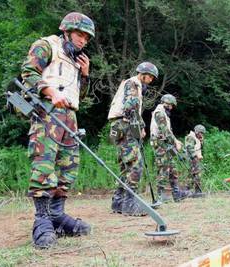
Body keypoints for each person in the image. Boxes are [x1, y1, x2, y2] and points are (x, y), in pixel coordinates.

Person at [20, 12, 95, 249]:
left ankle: (57, 216)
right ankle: (42, 221)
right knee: (44, 163)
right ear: (67, 31)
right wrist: (51, 92)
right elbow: (28, 73)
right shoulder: (47, 46)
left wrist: (85, 75)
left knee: (68, 166)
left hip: (70, 115)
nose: (83, 41)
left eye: (86, 38)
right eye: (80, 35)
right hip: (47, 112)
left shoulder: (76, 59)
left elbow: (79, 95)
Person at [108, 62, 158, 216]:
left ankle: (118, 202)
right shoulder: (133, 83)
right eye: (148, 76)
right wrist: (140, 126)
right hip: (125, 125)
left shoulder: (130, 83)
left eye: (151, 78)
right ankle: (130, 204)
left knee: (125, 165)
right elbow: (131, 106)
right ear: (142, 74)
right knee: (136, 164)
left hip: (118, 125)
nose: (150, 80)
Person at [150, 94, 191, 204]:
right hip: (160, 144)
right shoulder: (159, 113)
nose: (172, 108)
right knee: (163, 168)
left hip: (166, 143)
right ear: (166, 103)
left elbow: (169, 132)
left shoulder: (164, 114)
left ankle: (177, 194)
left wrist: (176, 141)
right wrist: (175, 142)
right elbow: (165, 131)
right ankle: (160, 196)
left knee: (173, 169)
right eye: (171, 105)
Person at [185, 124, 206, 198]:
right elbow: (189, 148)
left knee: (195, 174)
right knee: (193, 174)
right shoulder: (191, 137)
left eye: (203, 133)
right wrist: (195, 156)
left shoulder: (197, 138)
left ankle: (196, 191)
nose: (202, 134)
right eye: (201, 133)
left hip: (195, 159)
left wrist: (201, 141)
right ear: (197, 131)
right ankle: (189, 191)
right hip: (192, 159)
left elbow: (200, 148)